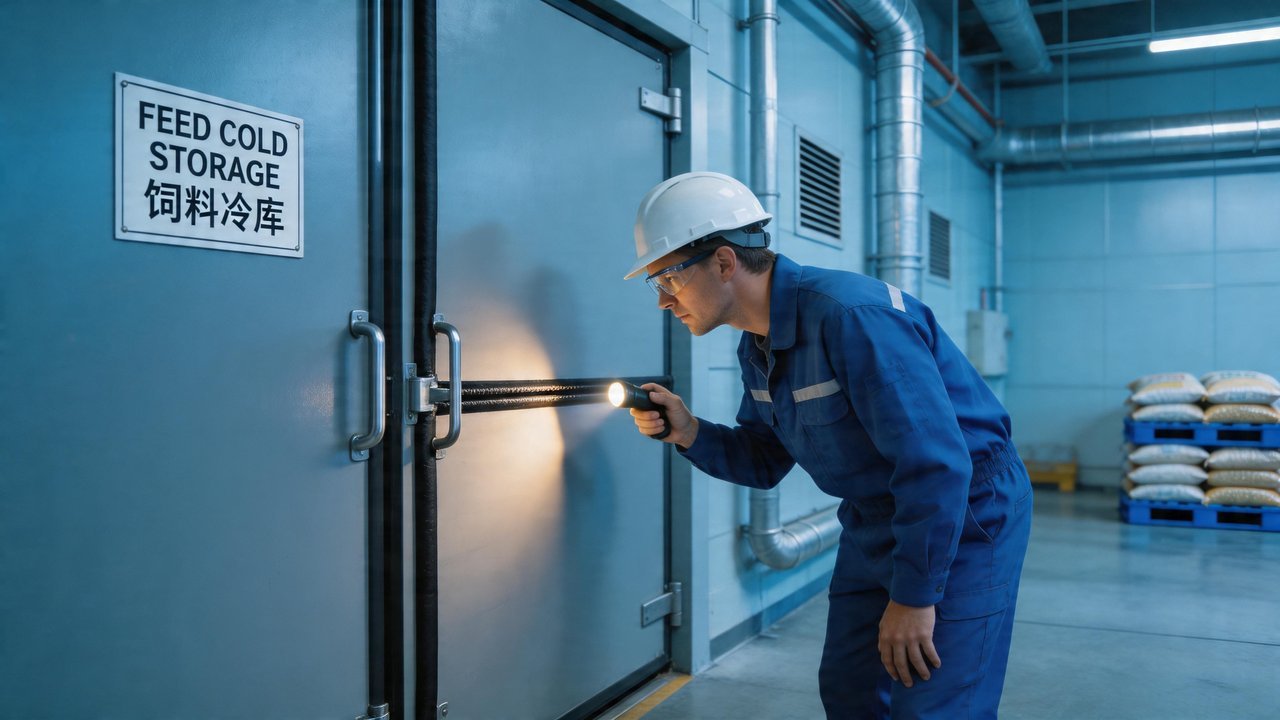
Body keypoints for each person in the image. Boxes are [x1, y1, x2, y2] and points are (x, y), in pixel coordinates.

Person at [622, 172, 1032, 719]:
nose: (663, 302)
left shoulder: (853, 317)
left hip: (965, 513)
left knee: (934, 703)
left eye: (667, 279)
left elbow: (935, 465)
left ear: (723, 262)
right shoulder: (758, 347)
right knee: (851, 688)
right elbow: (765, 458)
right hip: (875, 516)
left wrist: (914, 598)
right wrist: (689, 431)